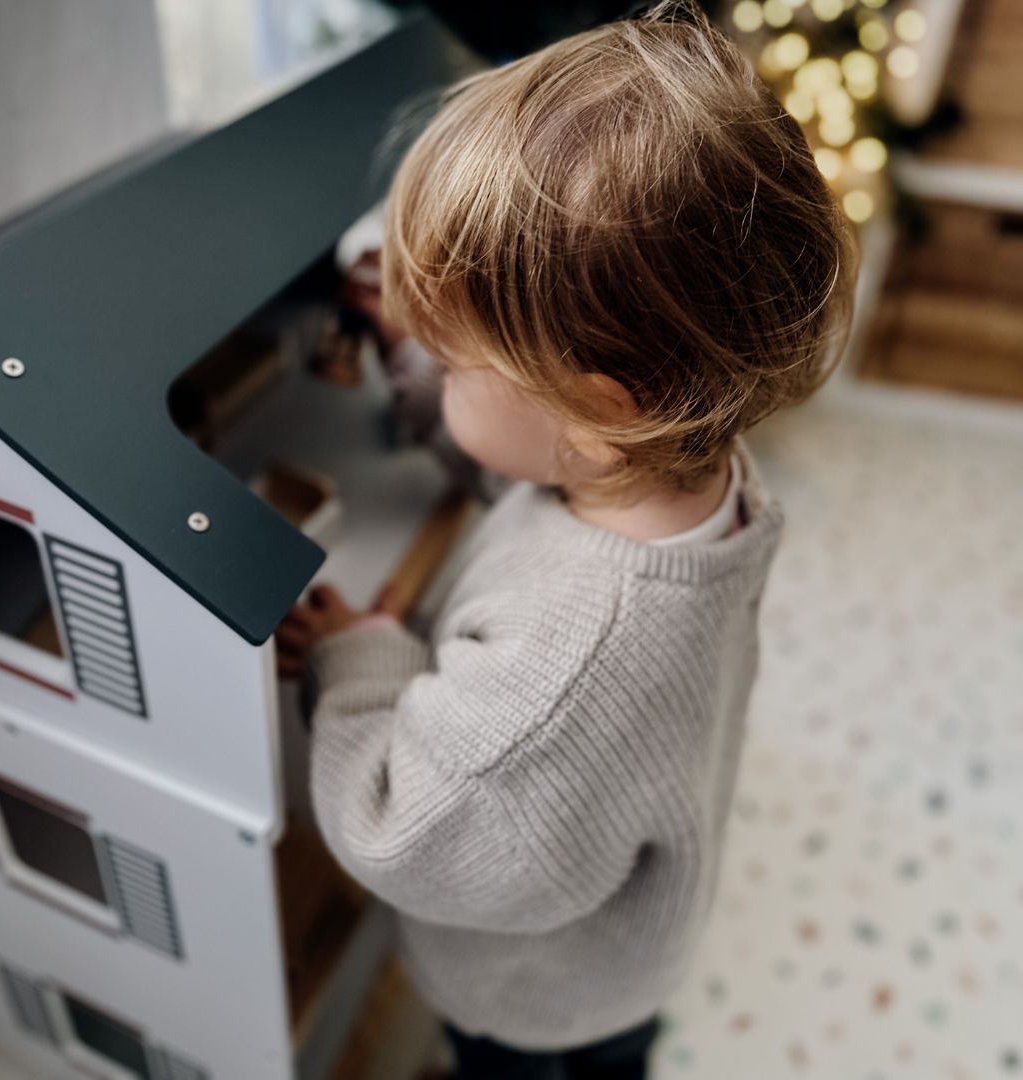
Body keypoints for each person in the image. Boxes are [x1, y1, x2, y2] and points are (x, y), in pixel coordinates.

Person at [276, 2, 855, 1076]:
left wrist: (360, 661)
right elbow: (526, 480)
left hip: (535, 1001)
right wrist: (421, 368)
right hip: (621, 942)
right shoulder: (674, 474)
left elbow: (403, 824)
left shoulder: (565, 668)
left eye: (456, 364)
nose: (442, 371)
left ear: (596, 409)